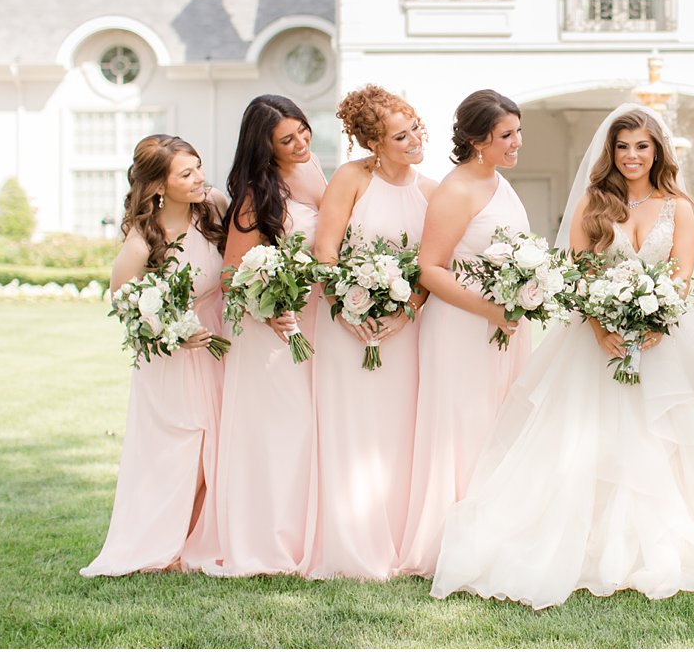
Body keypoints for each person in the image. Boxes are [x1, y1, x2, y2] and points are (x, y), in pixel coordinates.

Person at [431, 105, 694, 608]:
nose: (631, 156)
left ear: (658, 150)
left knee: (663, 436)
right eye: (622, 146)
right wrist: (602, 327)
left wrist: (656, 323)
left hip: (662, 340)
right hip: (593, 340)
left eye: (642, 146)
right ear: (611, 151)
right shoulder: (591, 204)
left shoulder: (678, 207)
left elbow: (683, 276)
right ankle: (585, 544)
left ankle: (663, 543)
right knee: (585, 439)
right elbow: (577, 275)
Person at [399, 89, 533, 577]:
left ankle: (497, 528)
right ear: (478, 140)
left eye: (518, 132)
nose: (517, 142)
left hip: (504, 321)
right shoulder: (456, 191)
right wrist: (489, 310)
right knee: (465, 426)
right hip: (463, 325)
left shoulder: (498, 180)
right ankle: (449, 539)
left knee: (501, 421)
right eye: (506, 135)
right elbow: (430, 269)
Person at [305, 87, 436, 580]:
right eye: (401, 136)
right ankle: (354, 547)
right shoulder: (350, 179)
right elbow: (326, 251)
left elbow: (432, 265)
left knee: (399, 432)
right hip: (345, 328)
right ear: (373, 144)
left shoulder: (431, 190)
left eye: (416, 127)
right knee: (353, 429)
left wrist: (409, 310)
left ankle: (400, 542)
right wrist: (347, 307)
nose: (415, 139)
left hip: (406, 331)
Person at [82, 135, 228, 576]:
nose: (199, 177)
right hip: (174, 359)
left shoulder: (214, 208)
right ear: (159, 187)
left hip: (218, 344)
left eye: (198, 167)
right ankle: (161, 543)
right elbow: (123, 301)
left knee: (217, 446)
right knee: (182, 448)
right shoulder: (144, 238)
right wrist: (173, 332)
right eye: (186, 174)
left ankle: (198, 538)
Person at [201, 95, 326, 576]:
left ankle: (304, 534)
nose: (300, 144)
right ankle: (264, 540)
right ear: (264, 146)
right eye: (286, 140)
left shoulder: (314, 169)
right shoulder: (256, 196)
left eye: (303, 133)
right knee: (279, 431)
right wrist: (268, 306)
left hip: (314, 321)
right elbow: (232, 274)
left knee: (308, 431)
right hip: (271, 330)